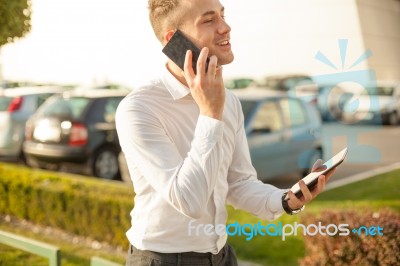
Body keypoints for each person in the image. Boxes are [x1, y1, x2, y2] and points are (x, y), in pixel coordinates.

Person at [116, 0, 336, 265]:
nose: (226, 27)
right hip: (161, 259)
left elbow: (238, 182)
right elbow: (189, 201)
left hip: (221, 256)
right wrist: (210, 114)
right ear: (174, 39)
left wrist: (287, 200)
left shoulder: (228, 101)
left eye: (223, 15)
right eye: (209, 20)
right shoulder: (138, 109)